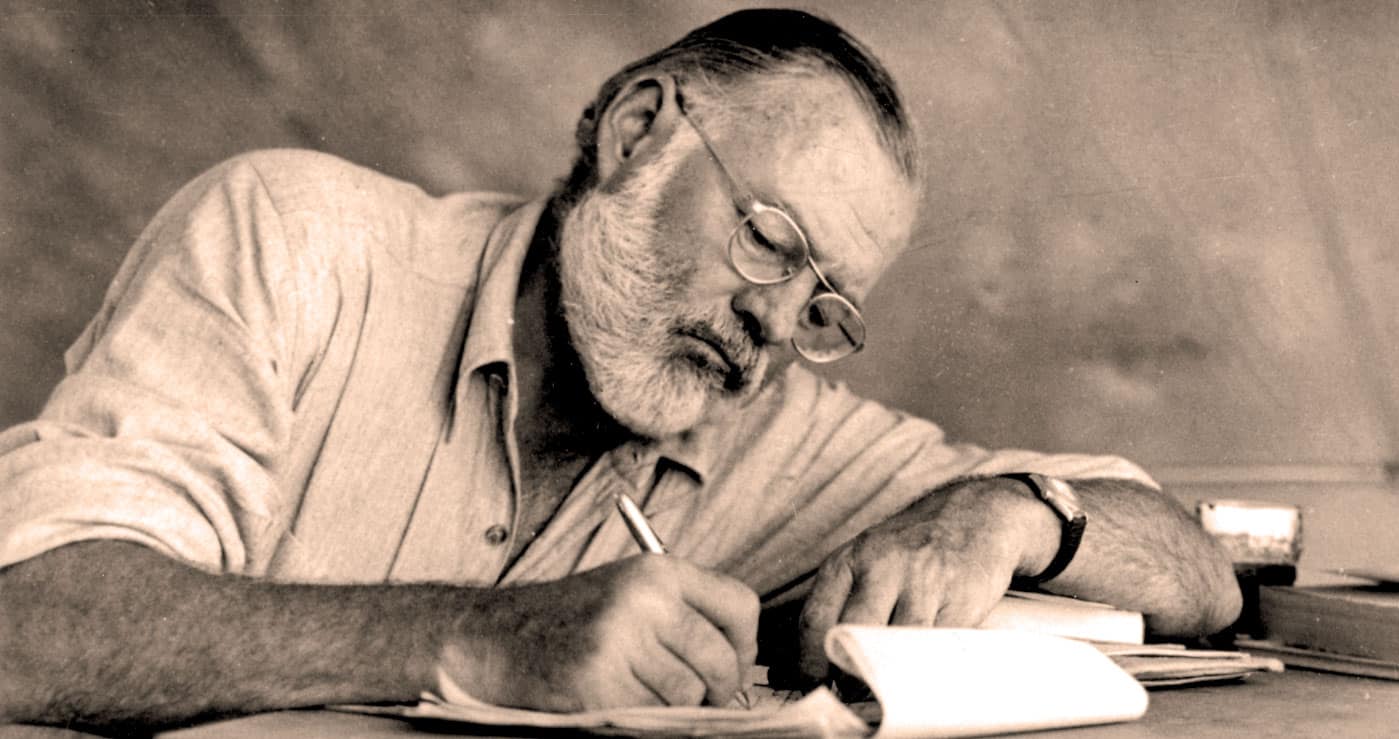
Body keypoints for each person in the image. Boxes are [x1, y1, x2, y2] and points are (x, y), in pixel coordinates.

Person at [0, 8, 1240, 731]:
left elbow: (1202, 575)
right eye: (768, 240)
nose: (772, 319)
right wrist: (482, 642)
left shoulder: (774, 423)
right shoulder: (294, 235)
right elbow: (31, 620)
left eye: (824, 305)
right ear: (636, 128)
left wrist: (1011, 511)